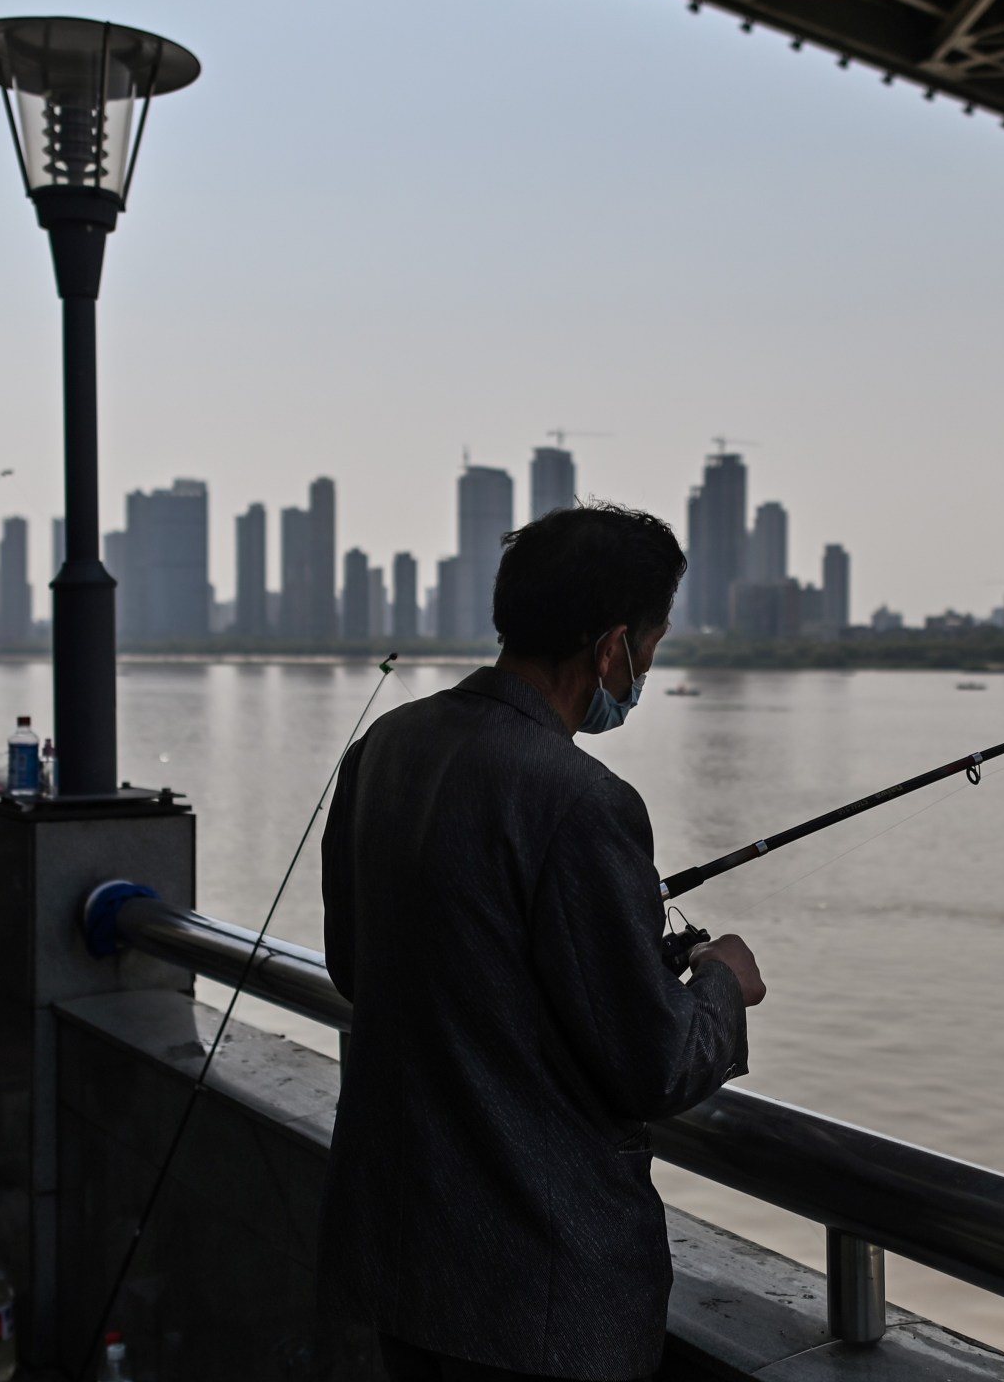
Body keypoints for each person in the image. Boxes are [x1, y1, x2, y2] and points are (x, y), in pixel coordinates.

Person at [319, 503, 765, 1382]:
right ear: (611, 649)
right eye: (651, 644)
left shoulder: (385, 748)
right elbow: (654, 1064)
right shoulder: (585, 801)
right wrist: (718, 982)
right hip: (540, 1297)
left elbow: (357, 965)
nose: (644, 667)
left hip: (405, 1265)